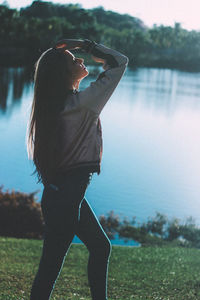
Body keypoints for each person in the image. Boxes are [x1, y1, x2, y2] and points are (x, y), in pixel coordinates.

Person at [27, 38, 128, 300]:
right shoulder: (82, 105)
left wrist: (77, 51)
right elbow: (119, 63)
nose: (81, 61)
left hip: (62, 196)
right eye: (75, 60)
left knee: (100, 247)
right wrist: (87, 45)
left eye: (78, 56)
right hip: (66, 199)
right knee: (49, 271)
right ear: (64, 73)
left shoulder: (56, 106)